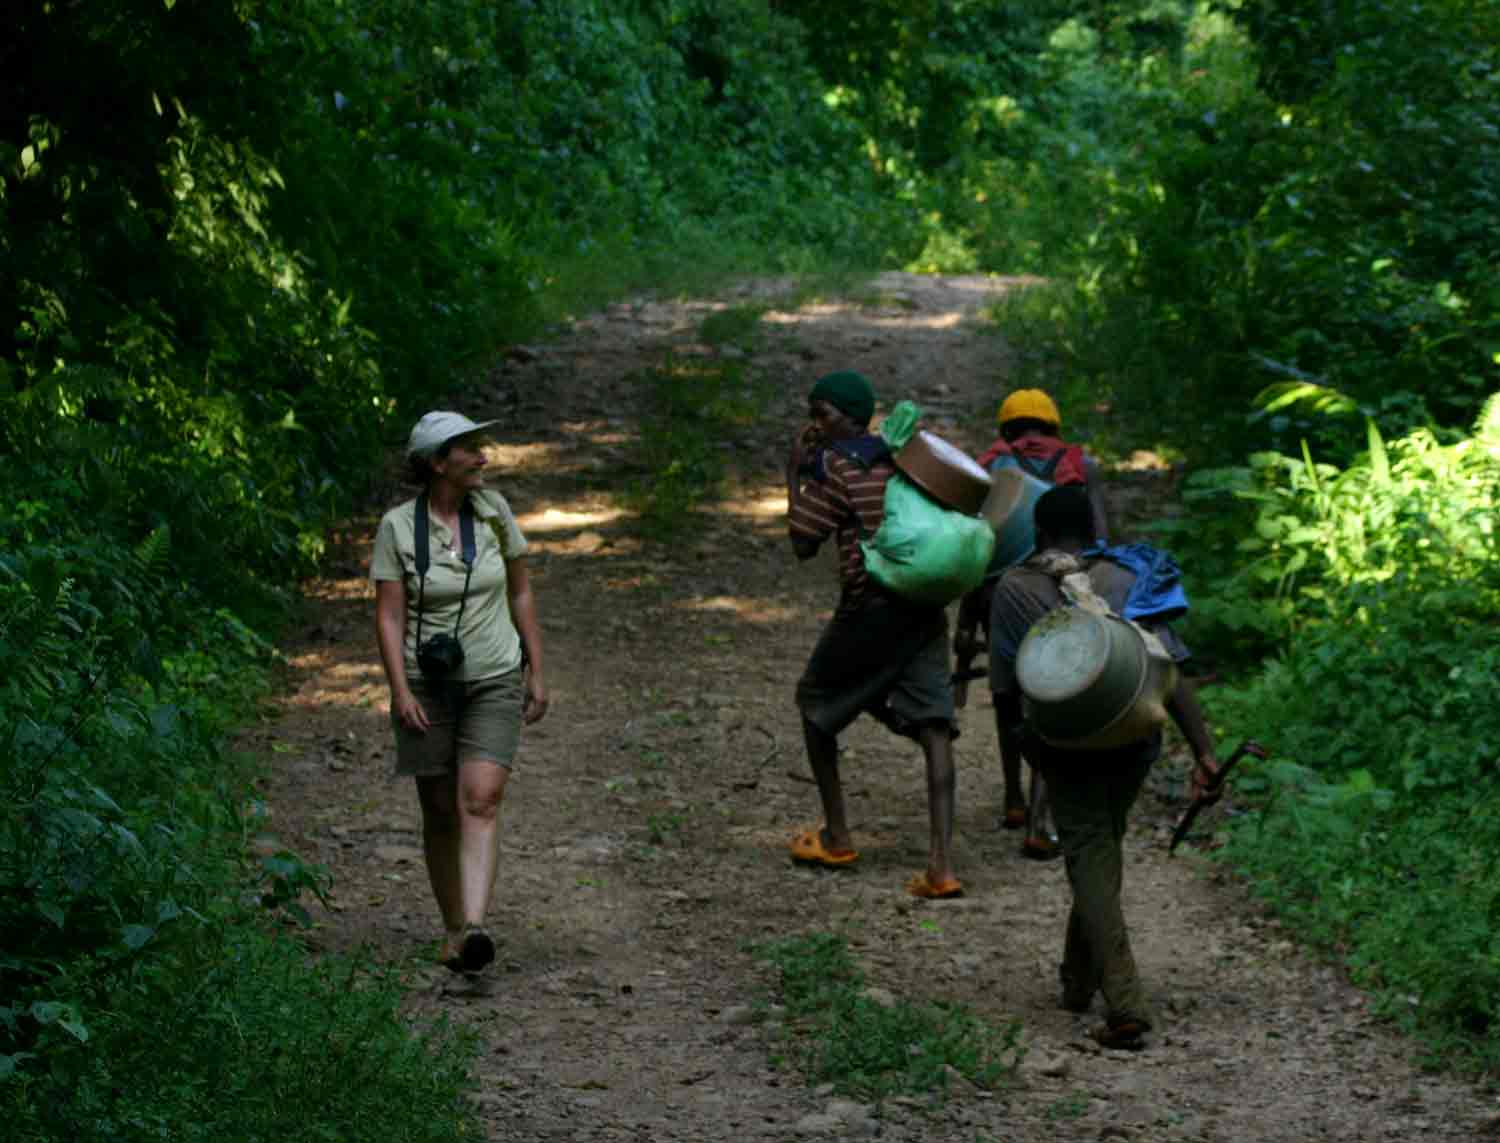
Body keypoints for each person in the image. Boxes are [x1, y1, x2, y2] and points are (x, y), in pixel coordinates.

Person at [988, 486, 1217, 1049]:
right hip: (1136, 737)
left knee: (1090, 850)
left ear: (1037, 535)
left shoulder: (1015, 589)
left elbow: (1004, 693)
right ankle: (1077, 980)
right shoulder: (1129, 574)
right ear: (1092, 529)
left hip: (1066, 746)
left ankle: (1125, 1002)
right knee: (1099, 847)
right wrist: (1204, 750)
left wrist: (1027, 758)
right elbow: (1171, 671)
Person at [371, 410, 548, 973]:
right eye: (470, 449)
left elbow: (521, 593)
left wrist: (536, 668)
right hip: (428, 684)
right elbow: (390, 616)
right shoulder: (399, 527)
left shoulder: (493, 513)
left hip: (495, 675)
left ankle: (474, 927)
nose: (483, 457)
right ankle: (453, 928)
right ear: (436, 463)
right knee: (441, 809)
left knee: (481, 798)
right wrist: (400, 692)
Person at [784, 370, 963, 899]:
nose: (815, 424)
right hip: (926, 608)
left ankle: (837, 835)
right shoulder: (907, 458)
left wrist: (795, 474)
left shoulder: (838, 470)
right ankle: (941, 867)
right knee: (936, 729)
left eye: (823, 414)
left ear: (848, 416)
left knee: (816, 706)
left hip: (869, 610)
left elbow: (801, 541)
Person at [955, 388, 1108, 857]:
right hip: (1062, 585)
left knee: (1007, 696)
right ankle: (1046, 804)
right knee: (1051, 690)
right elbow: (1100, 536)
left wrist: (964, 620)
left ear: (1007, 429)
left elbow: (974, 543)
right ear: (1053, 427)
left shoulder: (990, 468)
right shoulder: (1083, 467)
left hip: (997, 593)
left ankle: (1014, 797)